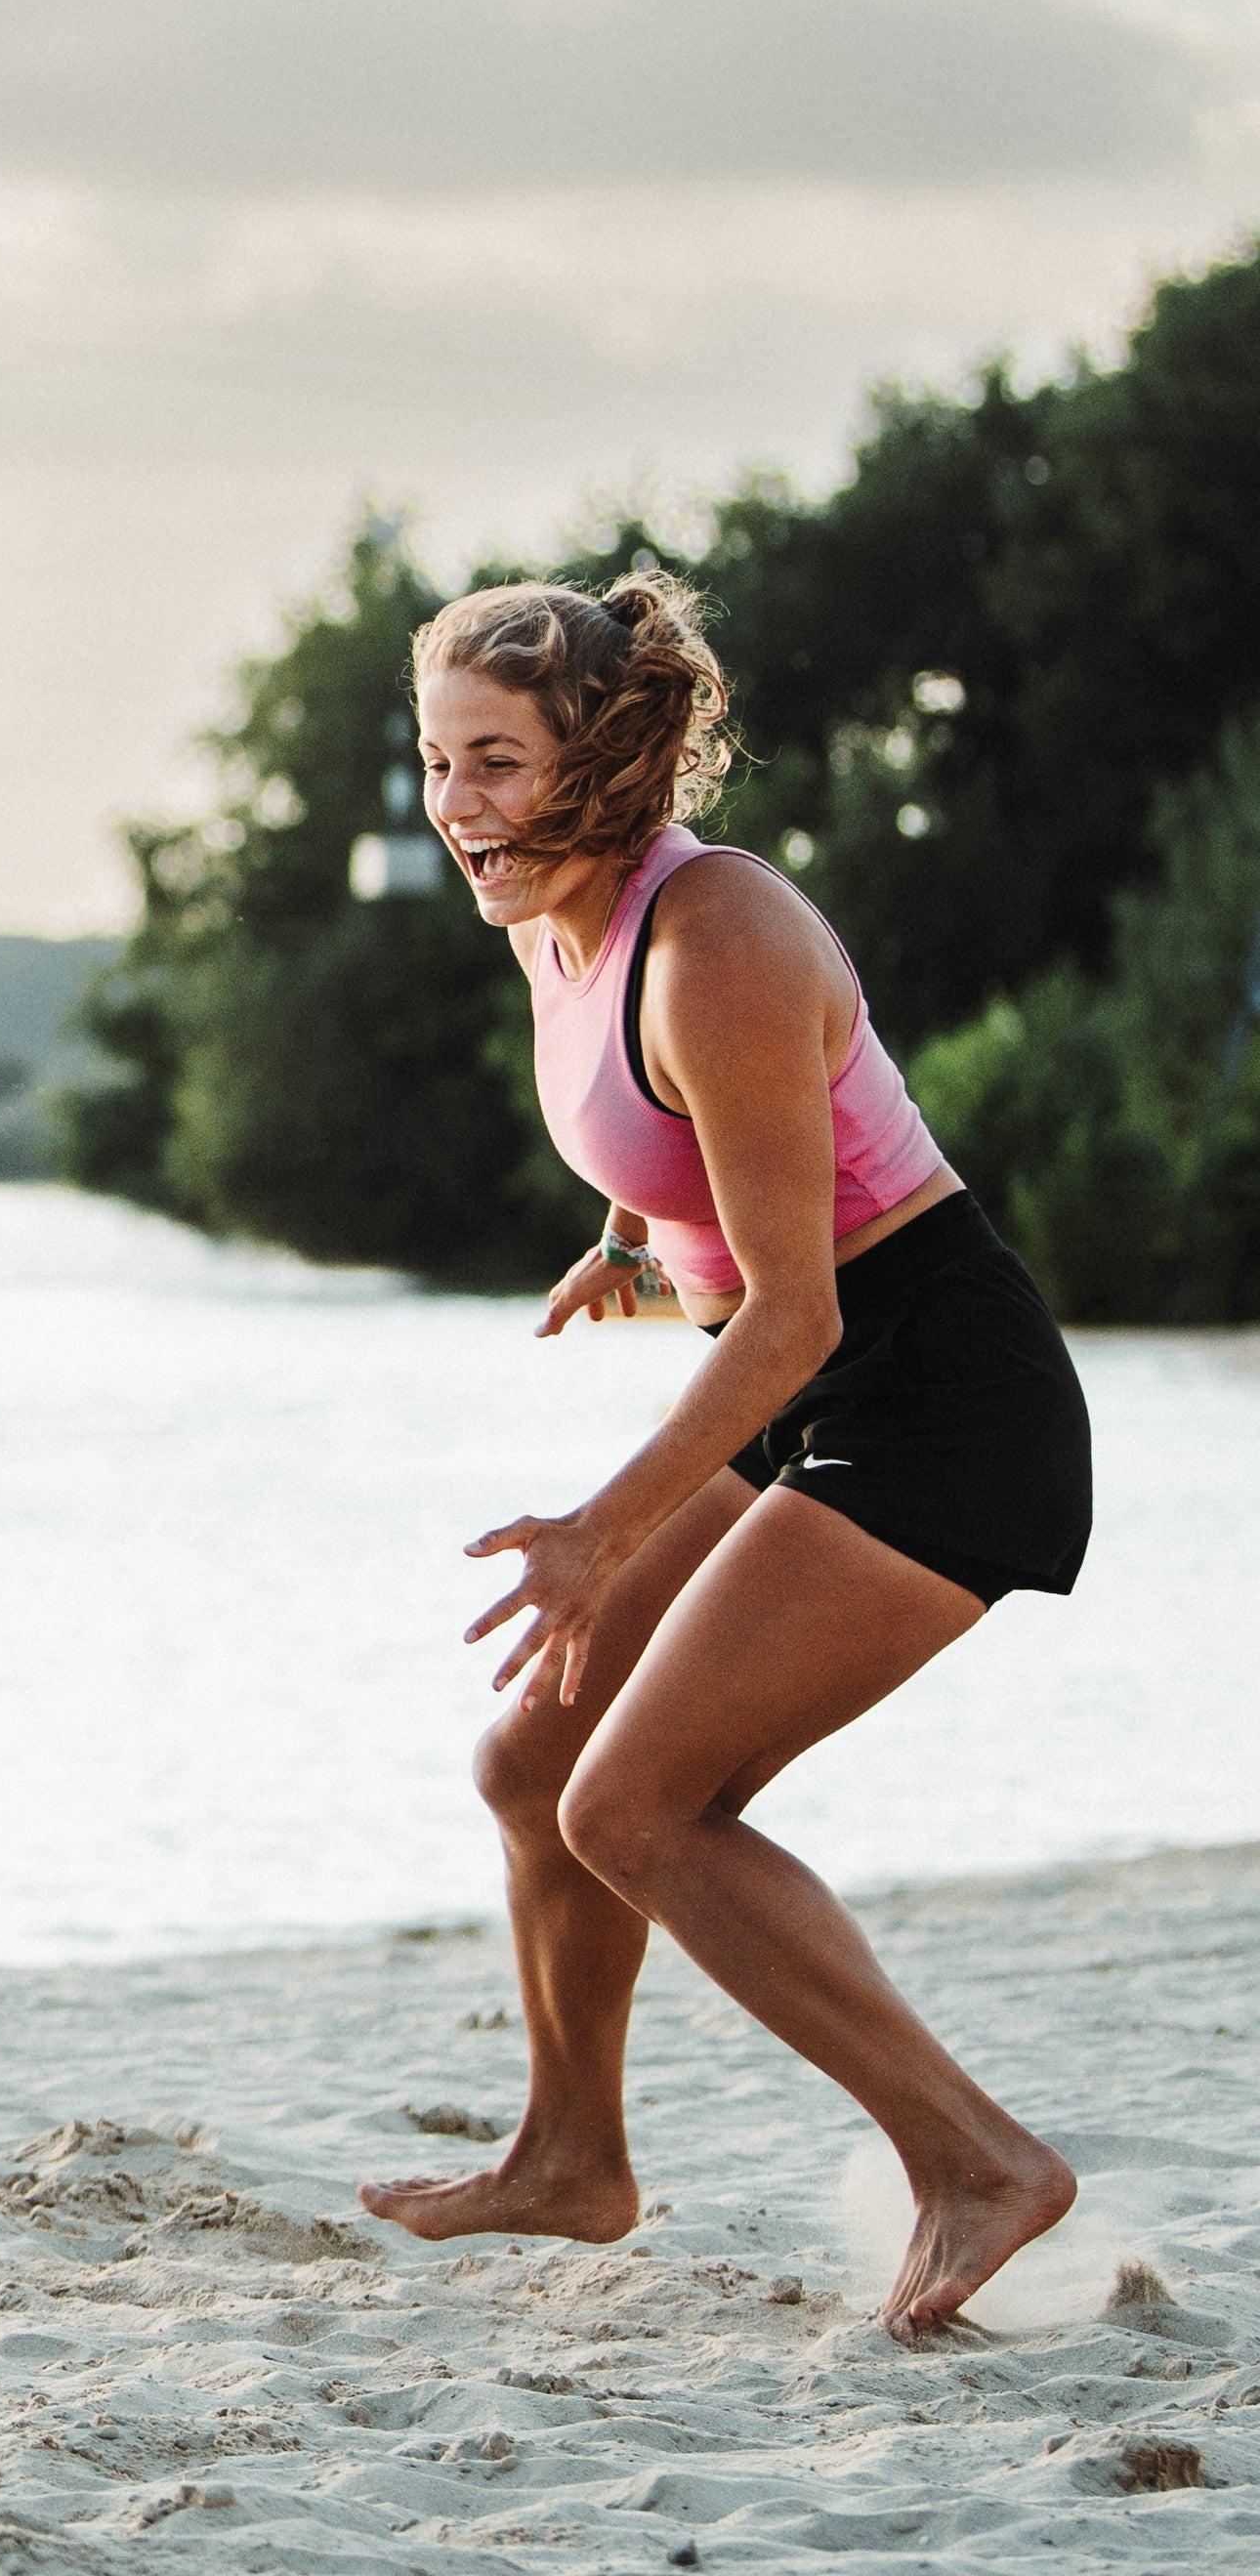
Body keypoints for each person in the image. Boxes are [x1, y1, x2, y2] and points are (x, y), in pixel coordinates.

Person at [358, 572, 1089, 2336]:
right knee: (535, 1769)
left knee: (639, 1805)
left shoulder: (723, 940)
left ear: (603, 764)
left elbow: (799, 1315)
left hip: (937, 1400)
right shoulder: (556, 916)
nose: (462, 808)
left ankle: (980, 2161)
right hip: (820, 1397)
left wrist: (602, 1531)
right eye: (441, 762)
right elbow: (667, 1118)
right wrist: (630, 1230)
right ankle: (570, 2162)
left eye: (501, 766)